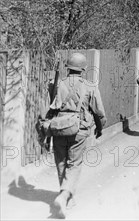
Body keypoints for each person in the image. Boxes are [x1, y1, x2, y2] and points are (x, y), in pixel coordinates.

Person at [47, 53, 106, 219]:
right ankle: (64, 195)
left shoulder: (56, 84)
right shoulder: (89, 86)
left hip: (58, 127)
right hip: (79, 130)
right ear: (84, 69)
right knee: (74, 164)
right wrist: (100, 128)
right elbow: (99, 112)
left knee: (60, 161)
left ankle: (67, 198)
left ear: (68, 67)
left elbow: (50, 106)